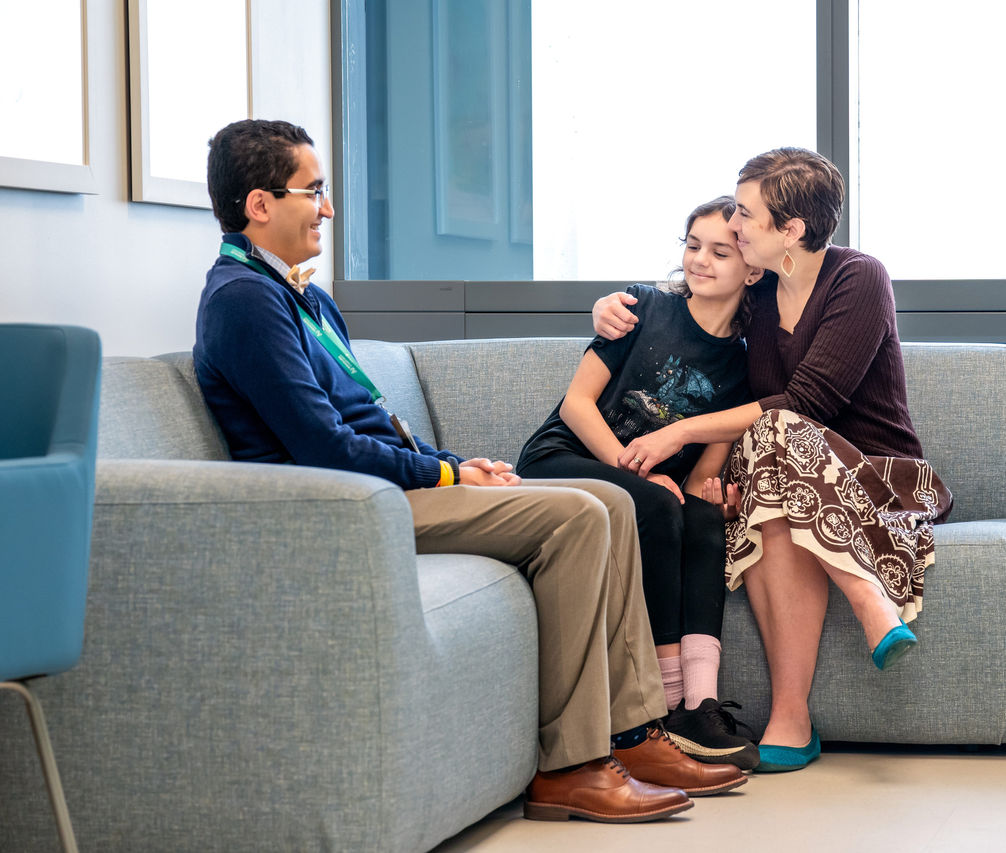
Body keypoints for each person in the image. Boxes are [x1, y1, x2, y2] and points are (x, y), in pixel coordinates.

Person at [195, 119, 745, 824]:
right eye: (315, 190)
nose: (328, 208)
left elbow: (370, 421)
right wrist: (448, 479)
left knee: (609, 504)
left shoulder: (306, 298)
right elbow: (323, 446)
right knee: (580, 516)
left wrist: (455, 464)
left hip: (387, 484)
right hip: (344, 503)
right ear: (259, 205)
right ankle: (571, 765)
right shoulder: (244, 300)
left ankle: (633, 736)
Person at [593, 148, 953, 773]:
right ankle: (792, 714)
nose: (733, 224)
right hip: (778, 478)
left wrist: (681, 433)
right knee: (769, 495)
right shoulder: (758, 294)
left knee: (780, 424)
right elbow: (686, 305)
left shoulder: (859, 278)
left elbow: (808, 403)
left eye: (744, 214)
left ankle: (864, 601)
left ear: (791, 230)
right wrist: (610, 307)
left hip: (876, 478)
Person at [517, 197, 768, 770]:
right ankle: (663, 704)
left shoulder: (742, 365)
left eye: (720, 252)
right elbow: (577, 406)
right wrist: (640, 471)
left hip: (649, 491)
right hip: (561, 459)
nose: (700, 260)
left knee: (699, 515)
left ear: (751, 270)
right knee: (656, 503)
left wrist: (714, 499)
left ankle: (700, 704)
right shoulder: (642, 307)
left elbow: (701, 475)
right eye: (693, 245)